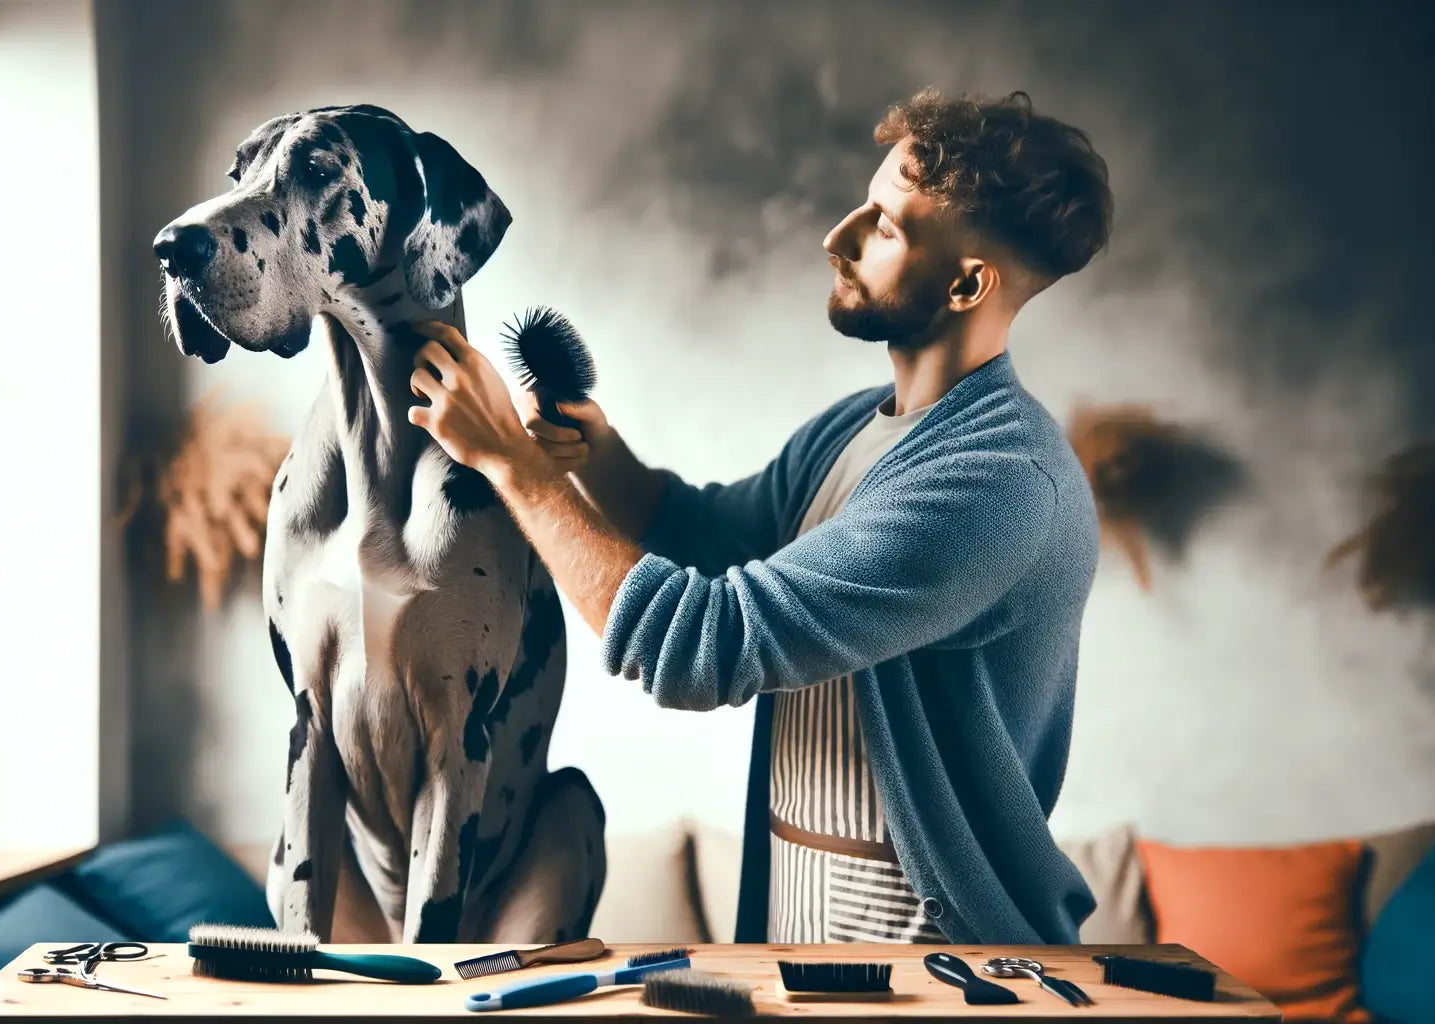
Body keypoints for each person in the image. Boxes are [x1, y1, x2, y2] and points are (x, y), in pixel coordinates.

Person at [405, 87, 1113, 944]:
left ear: (968, 284)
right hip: (800, 918)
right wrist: (598, 457)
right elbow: (710, 539)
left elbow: (702, 643)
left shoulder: (997, 485)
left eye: (885, 227)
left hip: (934, 948)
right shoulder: (860, 426)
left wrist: (511, 465)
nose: (836, 238)